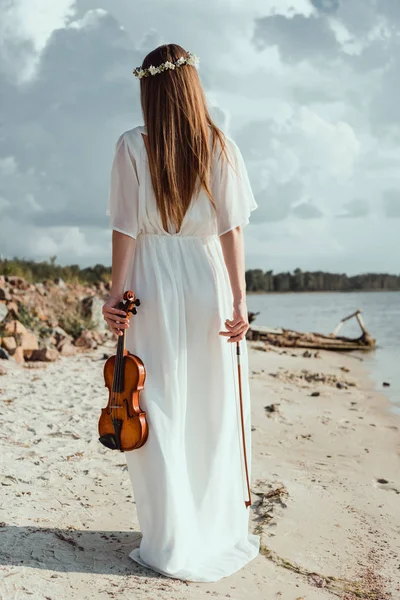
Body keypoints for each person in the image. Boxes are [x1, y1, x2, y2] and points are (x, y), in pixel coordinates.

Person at [102, 43, 260, 583]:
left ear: (148, 88)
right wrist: (239, 301)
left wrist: (115, 295)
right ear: (193, 86)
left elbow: (124, 227)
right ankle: (211, 528)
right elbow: (232, 230)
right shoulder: (221, 145)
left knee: (158, 403)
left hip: (150, 280)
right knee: (212, 403)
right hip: (205, 279)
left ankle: (171, 537)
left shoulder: (130, 146)